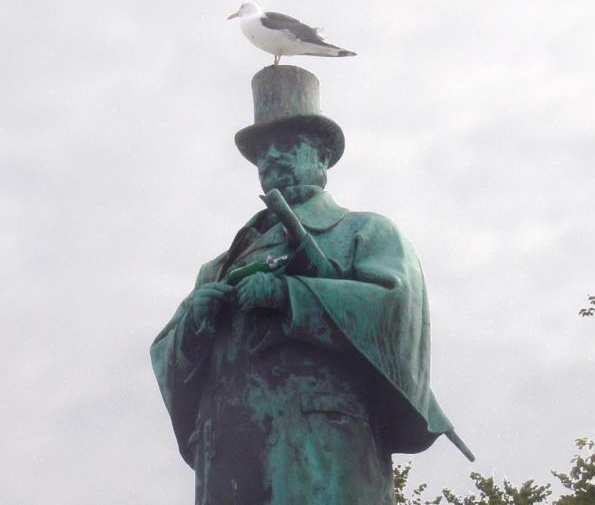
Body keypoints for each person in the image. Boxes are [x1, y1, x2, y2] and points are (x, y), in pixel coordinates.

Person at [151, 66, 471, 505]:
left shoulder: (364, 233)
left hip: (323, 447)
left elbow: (394, 310)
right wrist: (195, 324)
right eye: (263, 152)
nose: (272, 159)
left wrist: (290, 296)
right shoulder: (217, 268)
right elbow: (167, 356)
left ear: (322, 157)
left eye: (287, 146)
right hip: (229, 451)